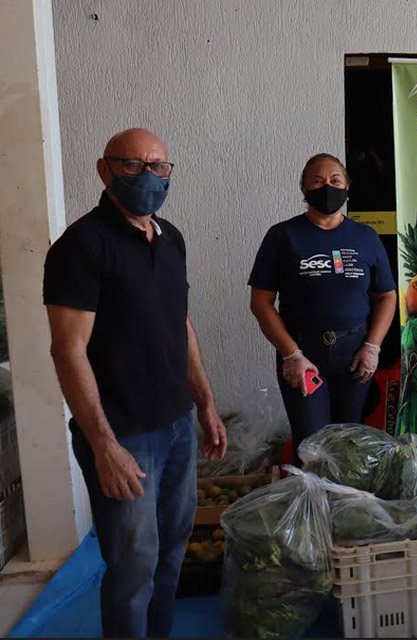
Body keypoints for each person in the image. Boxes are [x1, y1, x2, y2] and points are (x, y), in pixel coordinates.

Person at [43, 128, 228, 638]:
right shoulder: (81, 247)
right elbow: (67, 349)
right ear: (104, 171)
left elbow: (180, 324)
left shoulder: (171, 238)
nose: (148, 176)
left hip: (176, 427)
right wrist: (103, 446)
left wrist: (205, 405)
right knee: (133, 567)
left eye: (158, 166)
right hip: (123, 435)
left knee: (171, 553)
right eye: (132, 165)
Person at [249, 153, 397, 450]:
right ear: (303, 189)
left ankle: (343, 499)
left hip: (354, 358)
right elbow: (261, 302)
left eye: (335, 180)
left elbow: (387, 296)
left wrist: (373, 347)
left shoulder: (366, 237)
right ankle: (313, 498)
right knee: (312, 446)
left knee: (348, 445)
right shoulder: (283, 236)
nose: (327, 187)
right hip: (304, 356)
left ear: (347, 186)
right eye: (317, 181)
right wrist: (291, 355)